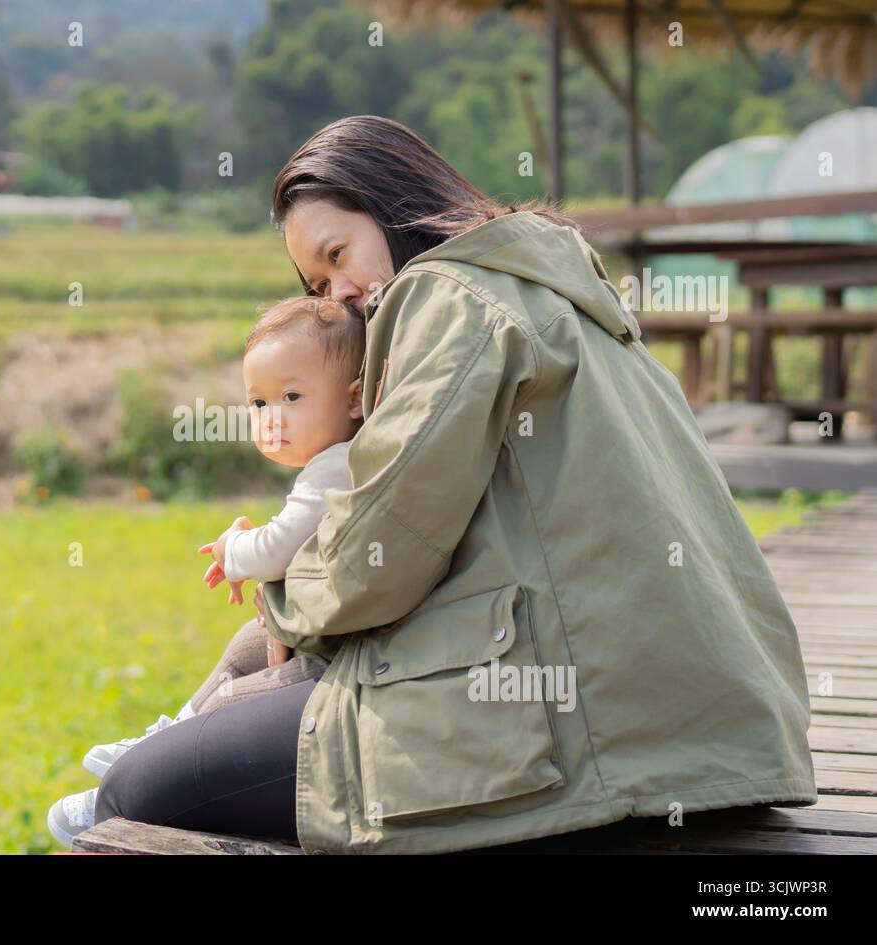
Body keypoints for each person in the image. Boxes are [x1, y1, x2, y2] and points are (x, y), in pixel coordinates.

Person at [84, 115, 817, 854]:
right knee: (252, 651)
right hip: (718, 731)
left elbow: (379, 553)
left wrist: (281, 598)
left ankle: (139, 760)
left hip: (605, 740)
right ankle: (175, 728)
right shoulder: (552, 286)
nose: (340, 295)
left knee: (132, 797)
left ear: (393, 201)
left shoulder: (448, 298)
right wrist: (279, 618)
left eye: (337, 255)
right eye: (316, 283)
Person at [46, 296, 366, 846]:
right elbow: (299, 538)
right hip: (320, 635)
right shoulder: (331, 463)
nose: (273, 417)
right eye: (259, 402)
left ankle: (144, 771)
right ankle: (166, 736)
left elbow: (278, 547)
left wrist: (233, 548)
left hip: (330, 660)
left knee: (242, 695)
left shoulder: (337, 466)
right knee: (245, 645)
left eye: (292, 397)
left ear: (355, 398)